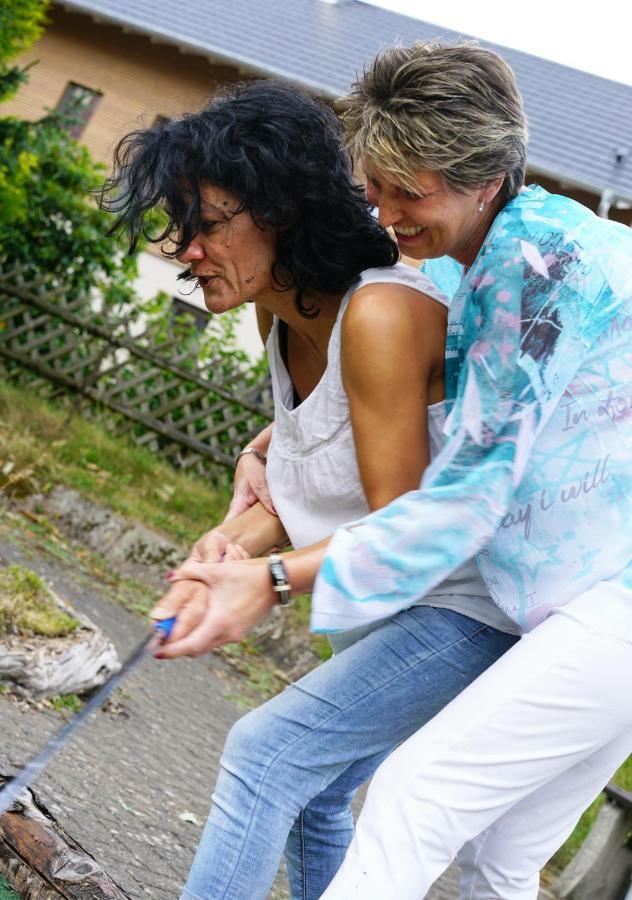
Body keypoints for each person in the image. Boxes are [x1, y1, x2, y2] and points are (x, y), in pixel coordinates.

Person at [102, 80, 519, 899]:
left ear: (283, 209)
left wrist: (260, 579)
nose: (186, 249)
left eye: (209, 224)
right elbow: (317, 477)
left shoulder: (383, 317)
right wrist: (232, 544)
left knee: (267, 757)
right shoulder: (280, 312)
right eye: (180, 227)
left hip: (467, 604)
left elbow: (400, 535)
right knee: (318, 798)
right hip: (392, 600)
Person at [299, 42, 631, 899]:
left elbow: (465, 498)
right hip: (587, 604)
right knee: (502, 864)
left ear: (488, 178)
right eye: (375, 186)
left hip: (618, 609)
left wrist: (271, 576)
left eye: (410, 192)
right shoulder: (477, 259)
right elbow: (447, 407)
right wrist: (275, 449)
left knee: (413, 799)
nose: (386, 215)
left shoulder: (540, 266)